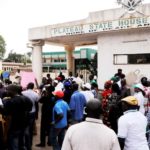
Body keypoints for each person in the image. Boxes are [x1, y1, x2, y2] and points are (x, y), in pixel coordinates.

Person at [22, 82, 40, 150]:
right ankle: (30, 145)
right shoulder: (35, 94)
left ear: (27, 86)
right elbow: (37, 103)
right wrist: (37, 114)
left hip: (25, 113)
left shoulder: (23, 93)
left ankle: (25, 145)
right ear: (32, 87)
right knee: (30, 129)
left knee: (24, 129)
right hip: (32, 113)